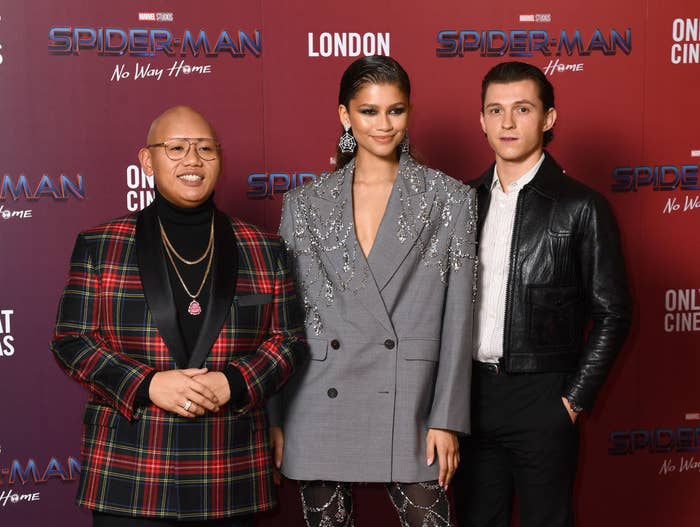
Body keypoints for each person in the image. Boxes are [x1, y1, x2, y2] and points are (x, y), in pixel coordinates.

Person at [50, 106, 307, 527]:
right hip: (131, 472)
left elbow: (290, 341)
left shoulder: (263, 247)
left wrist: (236, 381)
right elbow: (71, 342)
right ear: (147, 160)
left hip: (229, 469)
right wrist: (148, 384)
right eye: (176, 148)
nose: (193, 160)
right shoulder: (100, 244)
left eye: (206, 148)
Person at [267, 55, 477, 527]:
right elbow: (284, 316)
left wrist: (446, 417)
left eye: (396, 110)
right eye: (369, 111)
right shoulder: (303, 203)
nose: (384, 124)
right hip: (318, 396)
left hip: (411, 398)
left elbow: (459, 318)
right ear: (345, 115)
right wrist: (273, 415)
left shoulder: (451, 199)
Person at [452, 61, 632, 527]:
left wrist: (572, 400)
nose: (507, 123)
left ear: (548, 118)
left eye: (522, 109)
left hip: (544, 398)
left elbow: (613, 313)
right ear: (482, 121)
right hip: (470, 400)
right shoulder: (461, 203)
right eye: (496, 110)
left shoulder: (582, 207)